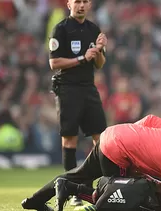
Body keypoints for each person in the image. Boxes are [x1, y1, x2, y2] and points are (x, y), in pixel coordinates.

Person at [21, 114, 161, 211]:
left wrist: (132, 136)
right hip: (117, 152)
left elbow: (150, 119)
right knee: (127, 198)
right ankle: (73, 190)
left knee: (80, 173)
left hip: (113, 134)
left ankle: (34, 201)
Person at [48, 0, 108, 206]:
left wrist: (99, 49)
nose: (81, 5)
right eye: (77, 1)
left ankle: (94, 189)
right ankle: (70, 191)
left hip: (88, 88)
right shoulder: (61, 29)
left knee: (100, 141)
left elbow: (99, 64)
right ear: (69, 4)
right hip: (67, 88)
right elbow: (54, 63)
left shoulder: (93, 29)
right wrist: (83, 58)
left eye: (85, 1)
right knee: (69, 140)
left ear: (89, 4)